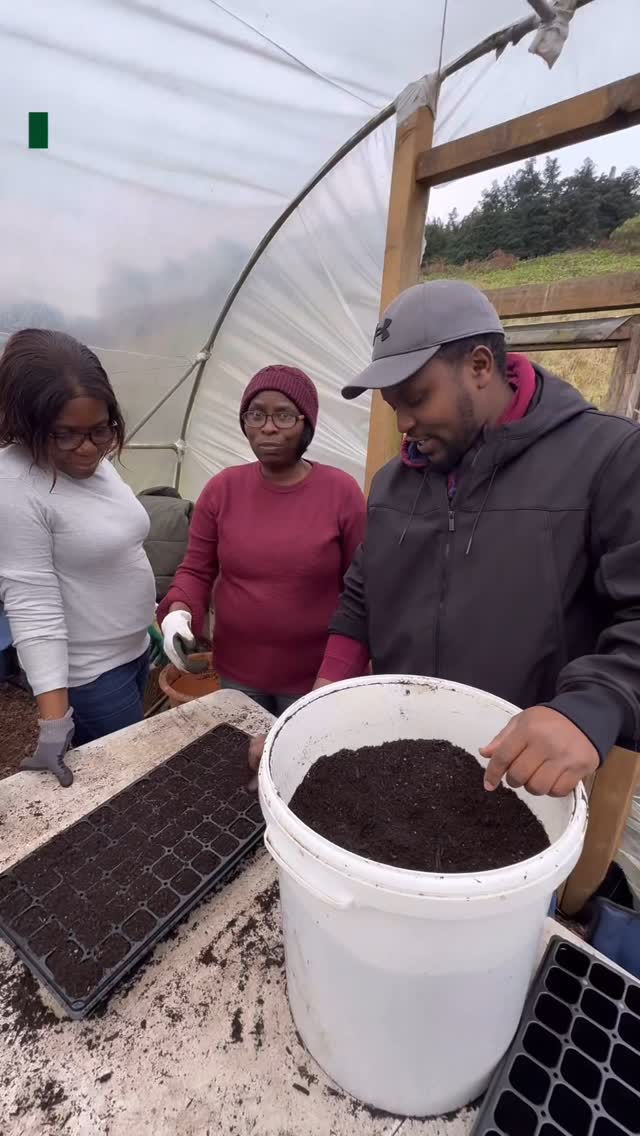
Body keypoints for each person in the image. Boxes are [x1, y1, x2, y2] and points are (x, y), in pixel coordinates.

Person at [249, 281, 640, 796]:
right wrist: (317, 704)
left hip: (523, 777)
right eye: (393, 405)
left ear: (480, 366)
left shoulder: (608, 459)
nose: (404, 422)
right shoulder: (393, 484)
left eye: (415, 398)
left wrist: (591, 707)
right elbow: (363, 597)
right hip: (400, 756)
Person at [158, 365, 366, 715]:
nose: (268, 427)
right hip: (239, 673)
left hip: (316, 676)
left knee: (300, 763)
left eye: (284, 415)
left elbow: (361, 588)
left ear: (306, 423)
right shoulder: (223, 490)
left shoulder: (341, 493)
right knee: (245, 756)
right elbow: (196, 568)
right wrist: (178, 610)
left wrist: (341, 667)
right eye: (256, 415)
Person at [0, 329, 156, 787]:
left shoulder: (91, 462)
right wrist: (54, 725)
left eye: (100, 429)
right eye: (65, 434)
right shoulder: (14, 487)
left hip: (136, 652)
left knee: (127, 775)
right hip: (91, 675)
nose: (89, 448)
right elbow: (32, 604)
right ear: (27, 424)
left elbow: (116, 548)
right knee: (129, 782)